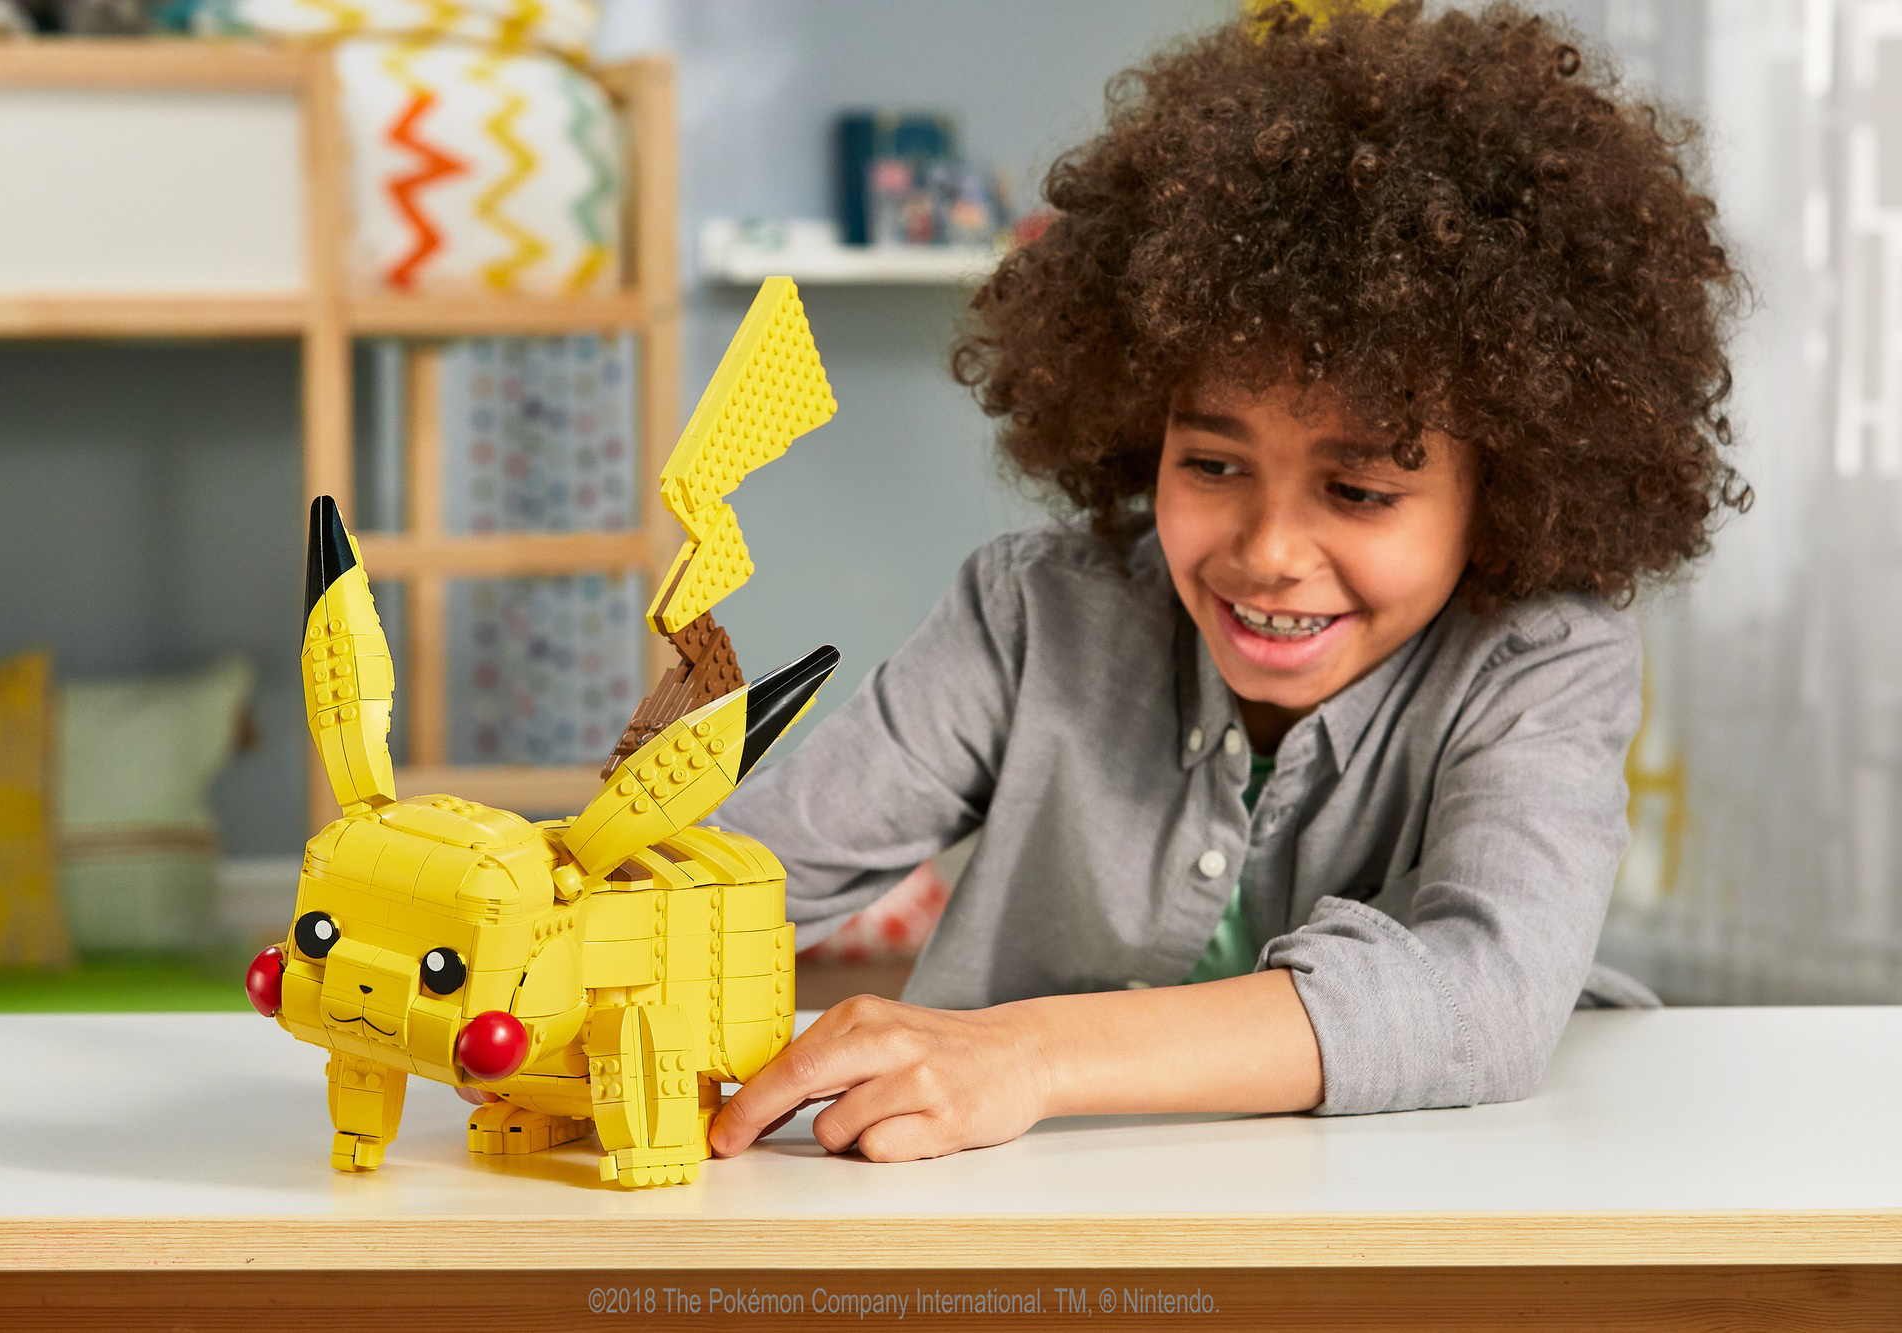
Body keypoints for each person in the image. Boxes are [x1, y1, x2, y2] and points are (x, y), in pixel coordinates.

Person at [707, 0, 1749, 1164]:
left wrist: (1029, 1053)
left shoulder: (1538, 660)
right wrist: (578, 891)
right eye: (1211, 464)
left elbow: (1479, 988)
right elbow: (743, 876)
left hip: (1419, 1210)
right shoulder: (1032, 615)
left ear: (1502, 490)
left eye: (1356, 490)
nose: (1267, 550)